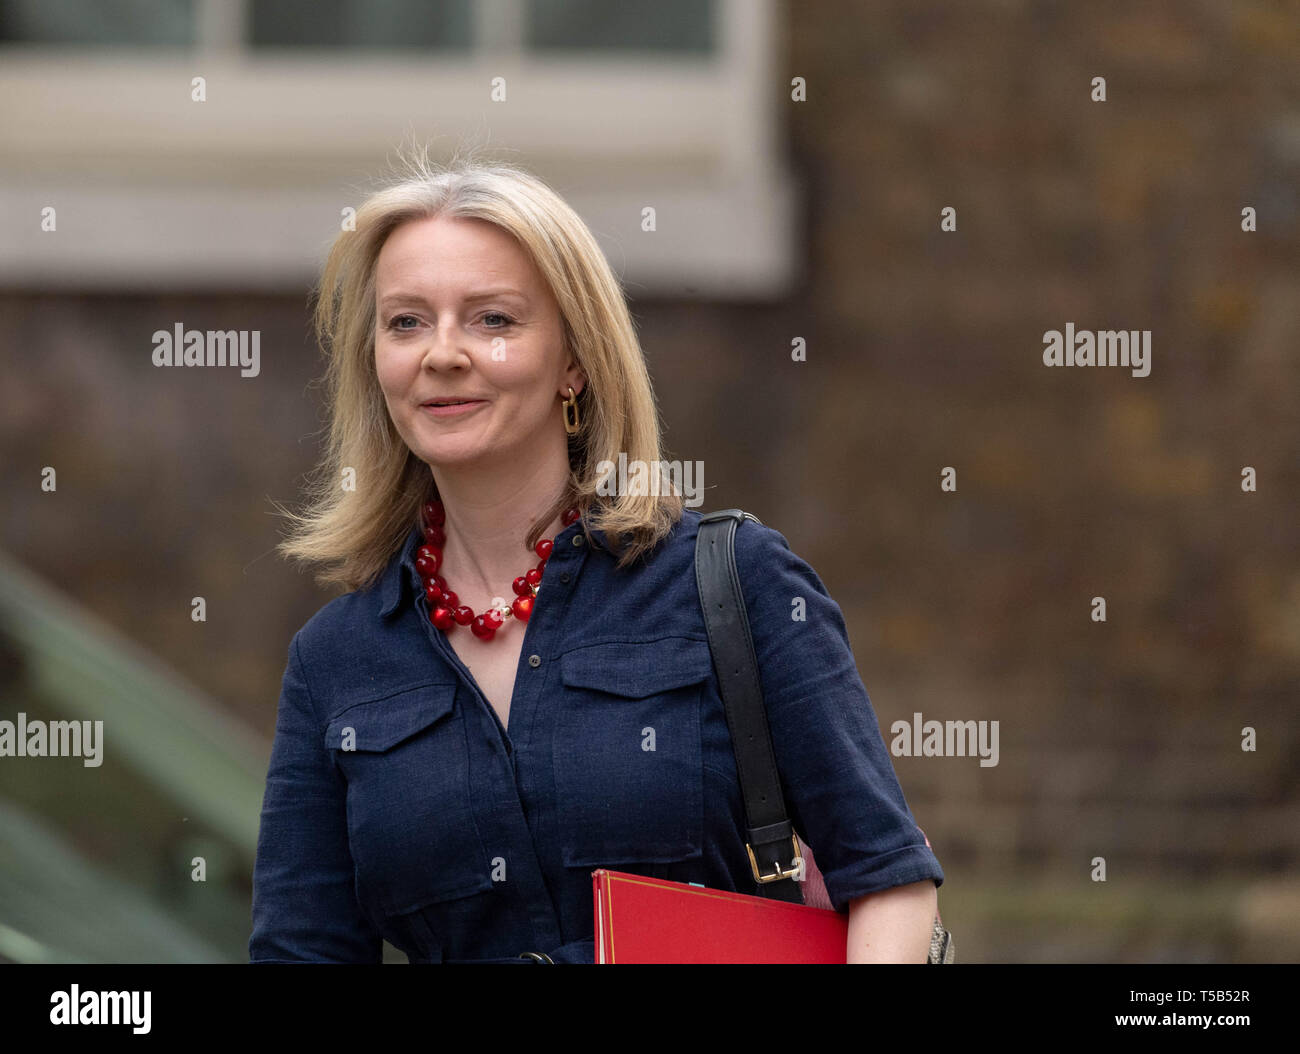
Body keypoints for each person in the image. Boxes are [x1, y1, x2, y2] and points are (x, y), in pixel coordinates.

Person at [248, 148, 943, 963]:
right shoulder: (334, 661)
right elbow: (301, 952)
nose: (442, 352)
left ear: (573, 361)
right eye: (406, 322)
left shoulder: (735, 584)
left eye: (492, 319)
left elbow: (890, 883)